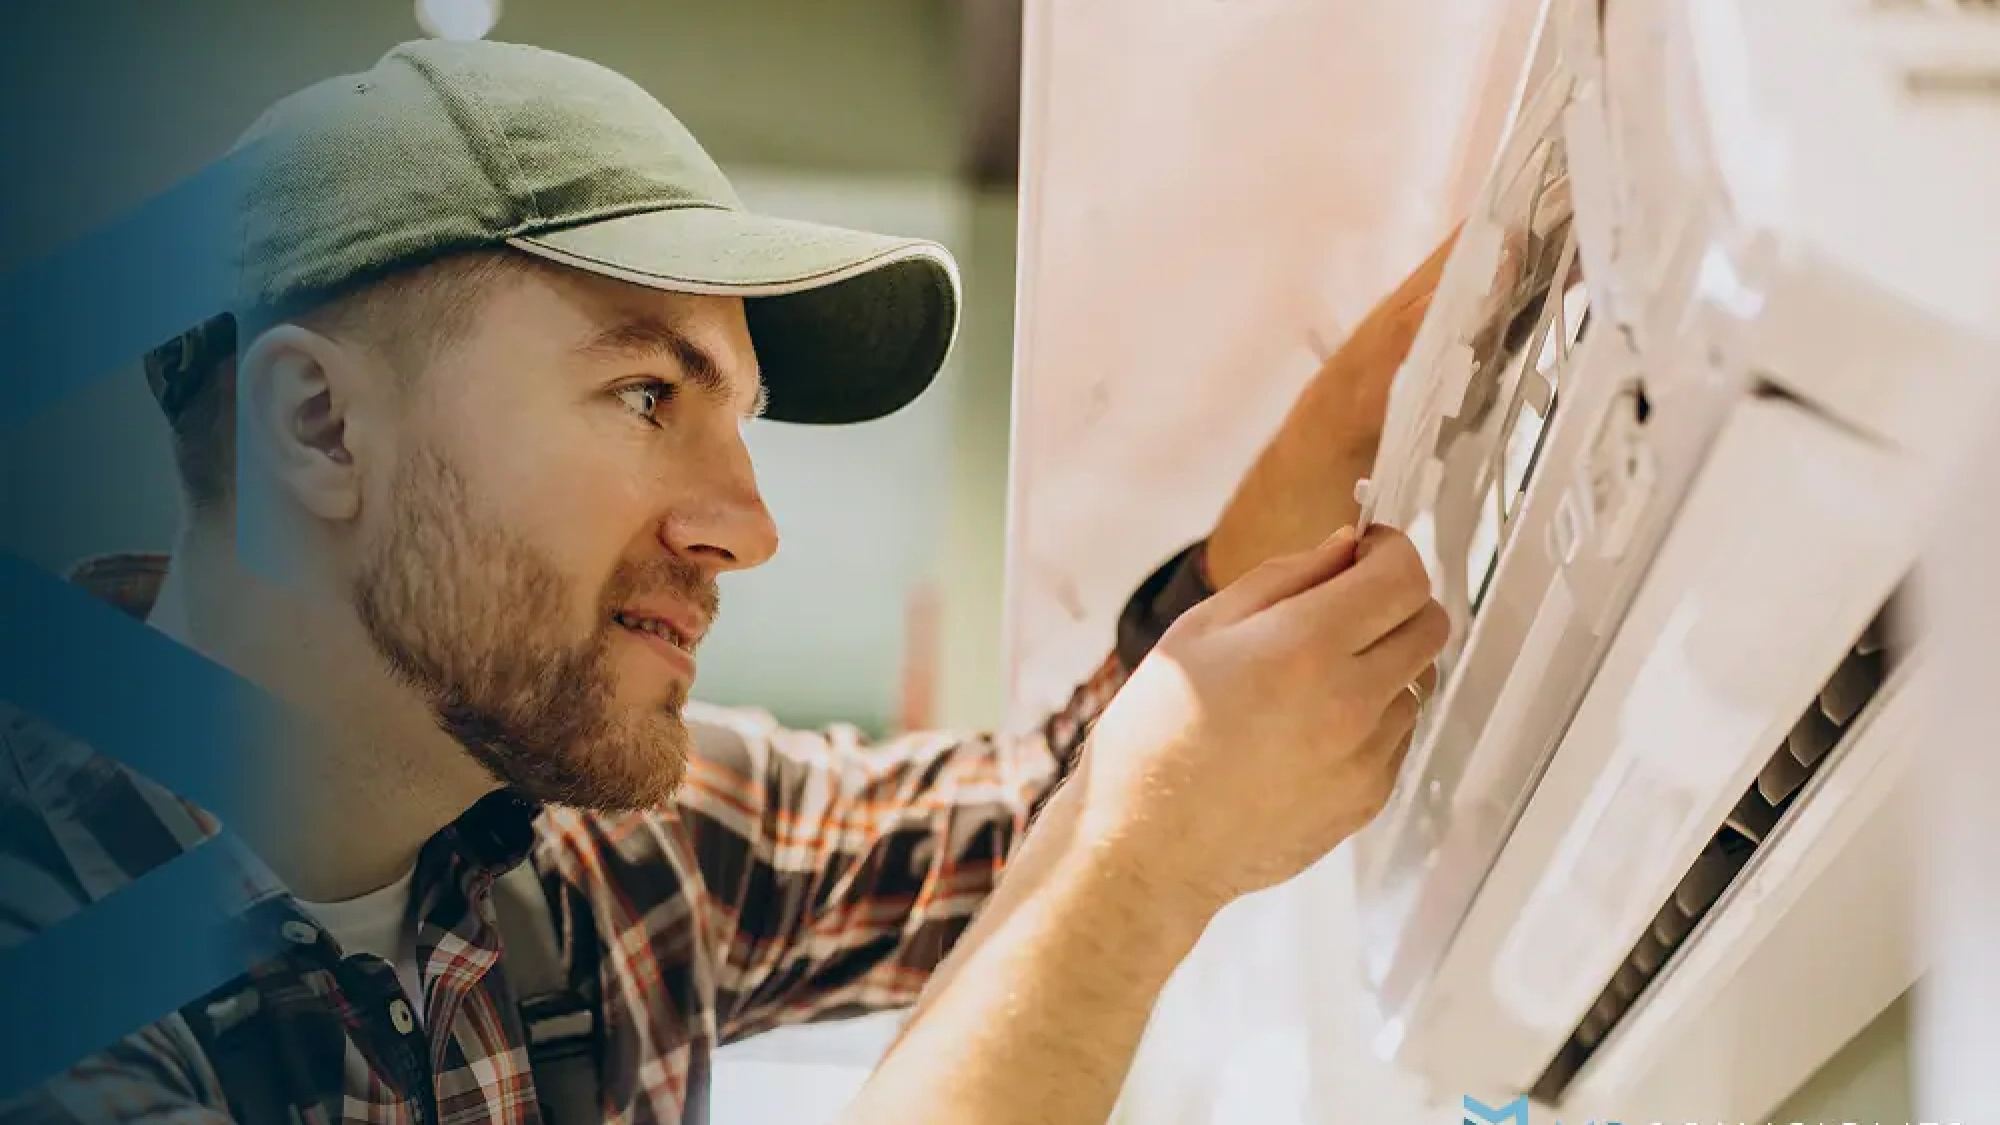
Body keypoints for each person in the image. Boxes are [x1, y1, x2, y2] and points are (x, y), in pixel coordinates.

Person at [0, 37, 1449, 1125]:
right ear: (317, 427)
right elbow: (1107, 841)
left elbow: (1038, 814)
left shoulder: (610, 852)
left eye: (735, 419)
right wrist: (1137, 883)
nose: (748, 529)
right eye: (646, 396)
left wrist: (1324, 463)